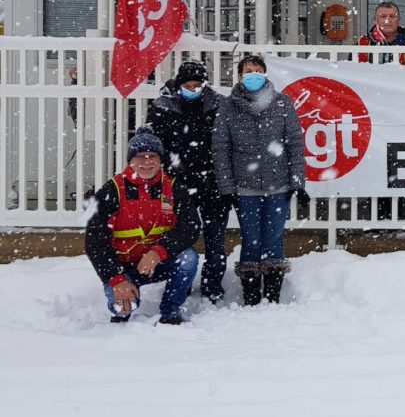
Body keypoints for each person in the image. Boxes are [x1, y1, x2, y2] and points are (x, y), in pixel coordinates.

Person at [212, 55, 308, 306]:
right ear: (240, 77)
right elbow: (220, 148)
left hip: (279, 184)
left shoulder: (282, 103)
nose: (252, 74)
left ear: (265, 74)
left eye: (257, 70)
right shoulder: (228, 106)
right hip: (245, 187)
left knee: (274, 237)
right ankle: (251, 295)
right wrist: (226, 186)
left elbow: (295, 144)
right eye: (247, 71)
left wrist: (298, 182)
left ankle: (273, 295)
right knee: (251, 238)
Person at [84, 127, 200, 324]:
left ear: (160, 160)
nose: (147, 162)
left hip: (157, 263)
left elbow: (190, 228)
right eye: (140, 156)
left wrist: (158, 251)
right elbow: (95, 241)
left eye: (152, 156)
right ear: (131, 160)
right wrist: (116, 279)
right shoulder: (111, 191)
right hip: (123, 268)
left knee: (188, 258)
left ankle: (171, 311)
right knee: (121, 310)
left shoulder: (172, 188)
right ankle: (125, 300)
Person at [146, 58, 230, 303]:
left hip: (212, 183)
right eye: (188, 84)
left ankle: (212, 286)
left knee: (215, 238)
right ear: (179, 84)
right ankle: (179, 285)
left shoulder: (218, 105)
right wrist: (169, 172)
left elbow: (227, 144)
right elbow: (154, 143)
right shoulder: (163, 107)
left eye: (197, 85)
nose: (192, 89)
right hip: (177, 185)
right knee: (179, 236)